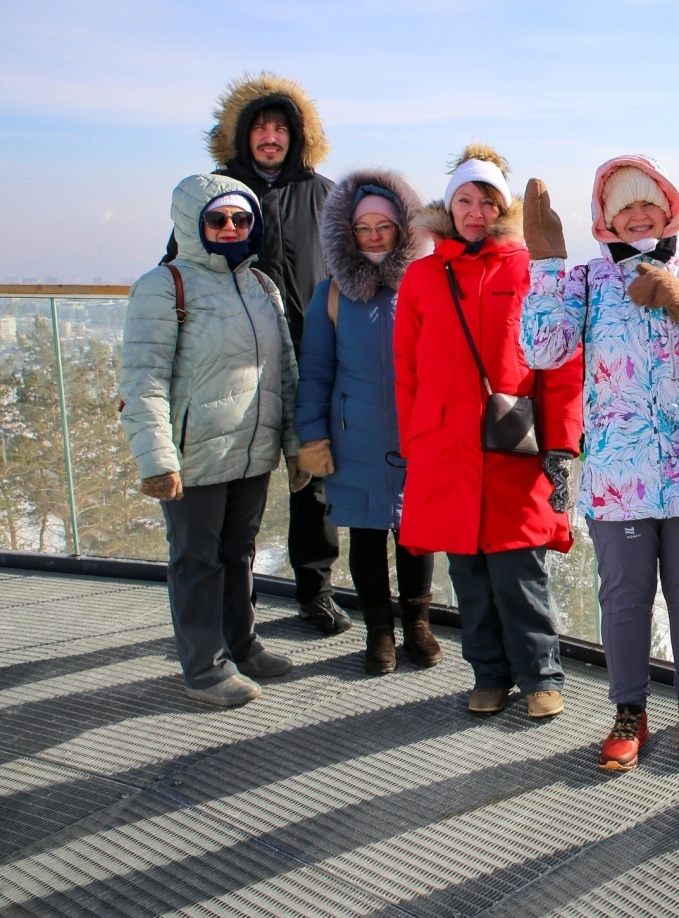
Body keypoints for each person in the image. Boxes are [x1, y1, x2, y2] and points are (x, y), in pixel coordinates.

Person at [520, 156, 679, 771]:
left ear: (669, 209)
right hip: (618, 477)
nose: (638, 213)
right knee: (622, 598)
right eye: (625, 205)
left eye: (649, 202)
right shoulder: (589, 281)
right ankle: (628, 710)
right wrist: (545, 266)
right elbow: (541, 348)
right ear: (605, 218)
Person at [394, 144, 584, 719]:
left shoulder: (528, 270)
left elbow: (562, 365)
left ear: (503, 209)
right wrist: (415, 444)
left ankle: (541, 674)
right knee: (469, 574)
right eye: (465, 200)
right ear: (449, 205)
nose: (475, 212)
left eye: (487, 201)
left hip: (514, 447)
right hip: (445, 450)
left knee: (519, 570)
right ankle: (489, 675)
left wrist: (561, 444)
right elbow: (405, 369)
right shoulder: (423, 277)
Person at [120, 174, 305, 706]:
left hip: (250, 450)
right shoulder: (163, 285)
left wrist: (292, 443)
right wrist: (157, 459)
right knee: (196, 558)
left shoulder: (260, 285)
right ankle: (205, 665)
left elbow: (284, 372)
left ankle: (243, 644)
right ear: (191, 223)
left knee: (239, 552)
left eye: (241, 219)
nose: (230, 228)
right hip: (193, 453)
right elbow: (143, 379)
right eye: (218, 219)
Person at [174, 72, 347, 634]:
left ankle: (316, 591)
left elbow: (353, 270)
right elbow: (177, 271)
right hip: (232, 362)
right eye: (260, 127)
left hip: (311, 354)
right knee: (233, 483)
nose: (270, 136)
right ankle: (231, 606)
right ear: (242, 134)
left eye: (281, 127)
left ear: (299, 135)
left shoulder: (324, 194)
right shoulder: (216, 192)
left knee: (314, 477)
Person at [295, 169, 440, 676]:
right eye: (363, 227)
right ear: (346, 233)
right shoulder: (330, 295)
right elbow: (314, 371)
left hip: (417, 435)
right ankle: (380, 630)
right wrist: (310, 434)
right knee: (366, 536)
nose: (374, 235)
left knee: (416, 533)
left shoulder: (424, 288)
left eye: (385, 225)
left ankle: (417, 624)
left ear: (404, 228)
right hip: (352, 434)